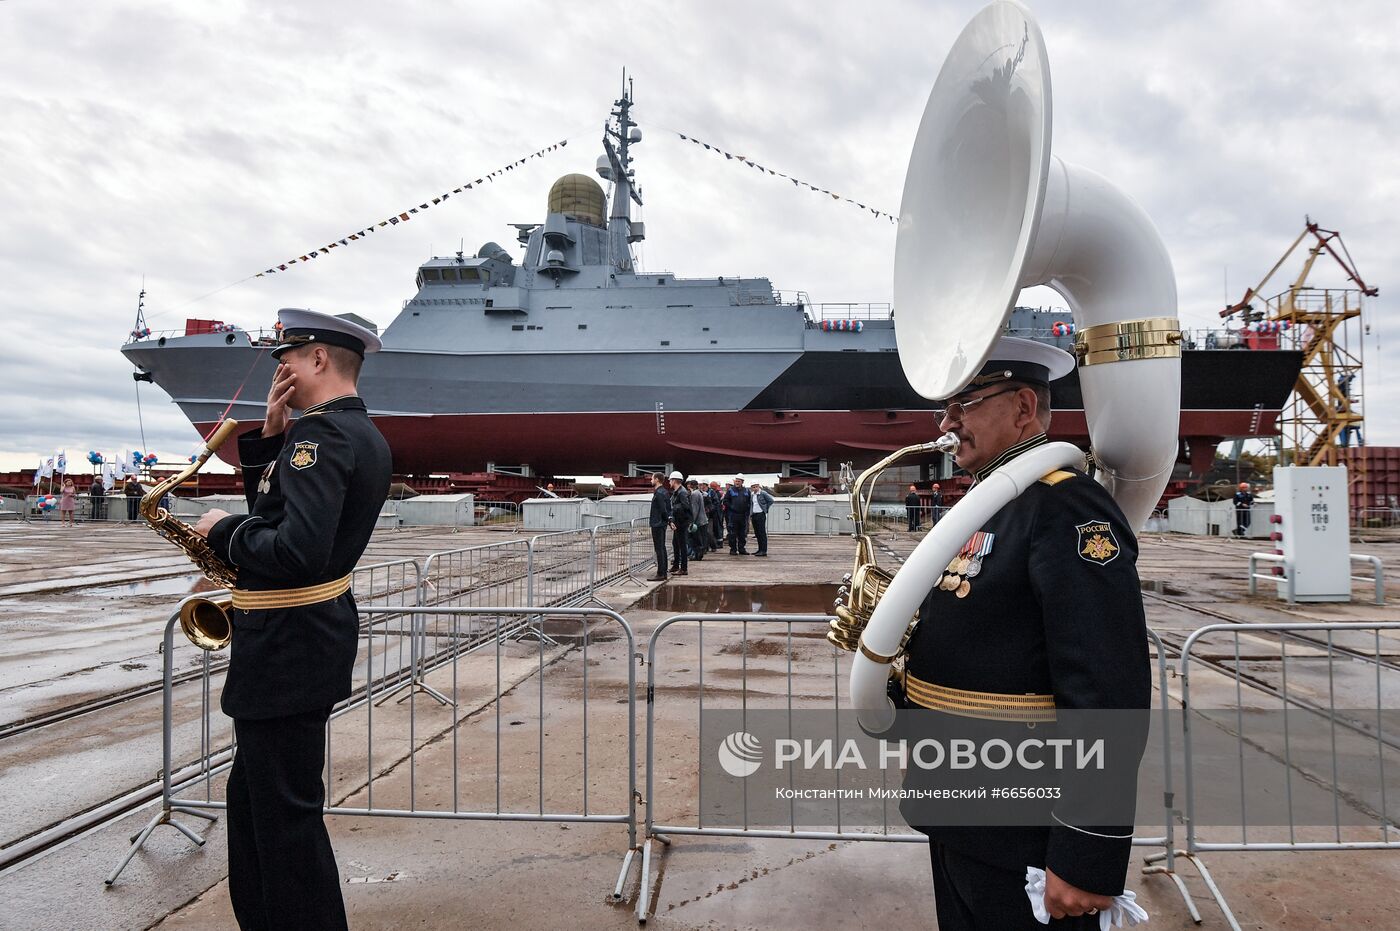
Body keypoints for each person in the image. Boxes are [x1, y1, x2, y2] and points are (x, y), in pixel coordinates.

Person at [897, 336, 1150, 928]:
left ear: (1023, 408)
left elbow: (1105, 685)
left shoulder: (1067, 507)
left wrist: (1087, 851)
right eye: (947, 409)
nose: (948, 422)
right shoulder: (987, 505)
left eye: (966, 404)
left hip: (1023, 832)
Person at [192, 308, 391, 931]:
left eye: (289, 357)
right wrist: (274, 437)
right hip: (302, 640)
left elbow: (294, 551)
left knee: (284, 820)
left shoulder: (323, 437)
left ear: (320, 360)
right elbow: (283, 515)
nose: (280, 368)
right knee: (254, 805)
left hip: (287, 646)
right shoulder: (354, 435)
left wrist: (219, 530)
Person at [667, 471, 692, 576]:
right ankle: (676, 565)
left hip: (681, 522)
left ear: (674, 481)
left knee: (681, 545)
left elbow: (686, 507)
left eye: (670, 480)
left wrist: (674, 508)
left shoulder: (682, 493)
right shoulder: (677, 492)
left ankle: (684, 568)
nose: (669, 482)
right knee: (675, 544)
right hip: (677, 522)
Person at [647, 472, 671, 581]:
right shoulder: (664, 492)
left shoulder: (659, 493)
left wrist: (668, 520)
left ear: (657, 479)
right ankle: (663, 571)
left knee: (659, 548)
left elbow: (663, 509)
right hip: (661, 523)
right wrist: (669, 521)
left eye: (652, 479)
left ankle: (661, 573)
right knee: (662, 548)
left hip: (658, 523)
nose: (651, 480)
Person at [723, 474, 751, 555]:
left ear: (742, 482)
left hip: (743, 515)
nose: (737, 482)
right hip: (733, 515)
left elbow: (749, 502)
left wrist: (747, 509)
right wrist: (731, 506)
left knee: (742, 533)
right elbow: (725, 501)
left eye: (739, 481)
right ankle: (733, 549)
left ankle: (741, 549)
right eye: (736, 481)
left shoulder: (746, 491)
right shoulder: (730, 490)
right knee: (732, 533)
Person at [686, 479, 711, 561]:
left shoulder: (694, 494)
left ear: (690, 485)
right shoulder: (699, 493)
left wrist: (692, 521)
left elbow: (694, 509)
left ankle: (697, 555)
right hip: (702, 520)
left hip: (698, 522)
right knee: (700, 539)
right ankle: (698, 554)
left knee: (696, 540)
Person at [749, 482, 774, 556]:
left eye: (756, 486)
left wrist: (765, 509)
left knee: (762, 533)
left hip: (760, 514)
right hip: (754, 514)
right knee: (757, 533)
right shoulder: (752, 494)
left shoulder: (763, 493)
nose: (755, 488)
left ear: (758, 486)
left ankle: (763, 550)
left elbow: (771, 500)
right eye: (753, 487)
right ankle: (760, 549)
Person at [707, 481, 725, 551]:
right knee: (715, 529)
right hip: (715, 513)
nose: (712, 488)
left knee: (717, 528)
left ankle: (719, 543)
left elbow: (717, 503)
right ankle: (716, 543)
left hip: (717, 513)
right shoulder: (716, 493)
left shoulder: (718, 493)